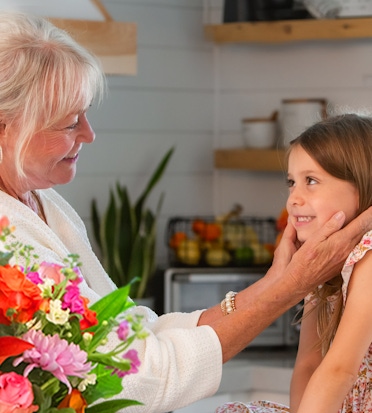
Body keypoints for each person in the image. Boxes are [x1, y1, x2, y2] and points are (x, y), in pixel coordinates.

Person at [0, 11, 371, 413]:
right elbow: (135, 377)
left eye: (312, 181)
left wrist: (286, 282)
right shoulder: (9, 242)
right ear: (6, 127)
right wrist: (289, 286)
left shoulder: (47, 205)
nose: (89, 134)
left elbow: (131, 332)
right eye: (70, 122)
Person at [216, 112, 372, 413]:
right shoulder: (321, 262)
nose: (293, 199)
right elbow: (309, 364)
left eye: (311, 181)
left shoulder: (368, 255)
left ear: (361, 185)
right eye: (291, 182)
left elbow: (340, 371)